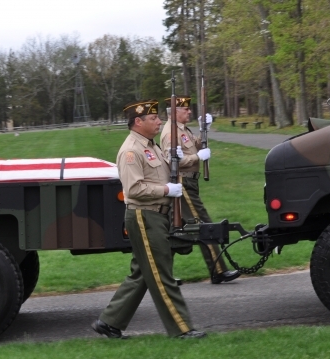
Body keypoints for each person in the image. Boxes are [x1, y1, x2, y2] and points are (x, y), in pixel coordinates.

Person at [92, 100, 206, 339]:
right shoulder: (131, 151)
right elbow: (134, 189)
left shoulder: (151, 146)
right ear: (138, 122)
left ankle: (109, 322)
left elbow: (161, 173)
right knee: (161, 273)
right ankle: (181, 329)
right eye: (153, 118)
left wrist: (176, 160)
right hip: (145, 216)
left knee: (143, 272)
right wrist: (166, 190)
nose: (159, 121)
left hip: (158, 215)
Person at [160, 96, 240, 284]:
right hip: (183, 183)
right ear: (175, 112)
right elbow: (173, 162)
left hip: (189, 183)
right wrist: (198, 157)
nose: (189, 111)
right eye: (185, 109)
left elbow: (195, 145)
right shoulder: (171, 133)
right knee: (205, 225)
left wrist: (205, 130)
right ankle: (218, 271)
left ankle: (163, 276)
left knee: (174, 231)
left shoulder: (182, 129)